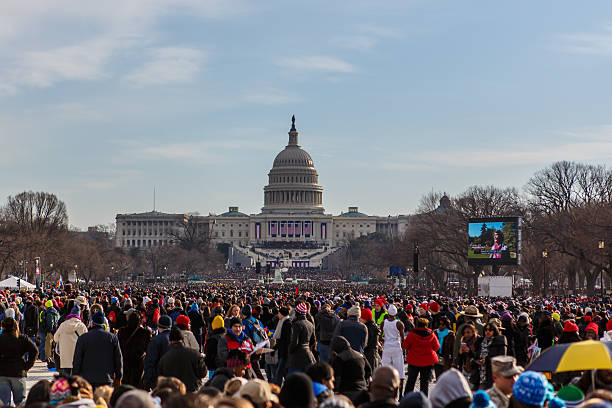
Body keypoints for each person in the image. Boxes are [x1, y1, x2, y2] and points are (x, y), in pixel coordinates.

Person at [72, 310, 123, 388]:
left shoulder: (83, 338)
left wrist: (75, 376)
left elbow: (77, 359)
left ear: (92, 323)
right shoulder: (112, 338)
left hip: (87, 379)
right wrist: (119, 376)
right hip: (106, 378)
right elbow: (118, 359)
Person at [0, 317, 38, 406]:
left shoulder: (1, 338)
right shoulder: (22, 338)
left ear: (3, 326)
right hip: (18, 372)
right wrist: (28, 365)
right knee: (21, 402)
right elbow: (35, 351)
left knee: (4, 403)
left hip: (2, 373)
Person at [158, 326, 208, 392]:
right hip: (192, 392)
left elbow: (161, 378)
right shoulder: (195, 354)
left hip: (173, 394)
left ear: (170, 341)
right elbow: (203, 372)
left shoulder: (165, 358)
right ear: (182, 339)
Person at [403, 317, 439, 396]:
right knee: (424, 383)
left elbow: (406, 345)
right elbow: (436, 347)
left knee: (410, 382)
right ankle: (424, 401)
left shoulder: (411, 335)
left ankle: (406, 400)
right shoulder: (432, 335)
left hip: (414, 360)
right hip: (427, 361)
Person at [330, 335, 371, 403]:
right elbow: (369, 371)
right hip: (362, 390)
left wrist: (336, 391)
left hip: (346, 392)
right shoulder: (360, 355)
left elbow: (337, 377)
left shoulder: (339, 358)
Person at [117, 310, 151, 388]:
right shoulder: (145, 333)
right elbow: (148, 349)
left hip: (125, 363)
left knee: (125, 387)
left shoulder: (122, 331)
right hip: (138, 364)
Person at [54, 304, 88, 376]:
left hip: (65, 357)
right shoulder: (81, 326)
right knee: (76, 379)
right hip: (78, 356)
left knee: (66, 378)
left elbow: (55, 338)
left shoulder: (63, 325)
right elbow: (87, 341)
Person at [381, 304, 406, 396]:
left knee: (386, 371)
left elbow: (380, 337)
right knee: (400, 372)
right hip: (396, 347)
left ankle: (386, 393)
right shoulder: (399, 324)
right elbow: (403, 339)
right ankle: (400, 394)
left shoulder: (383, 323)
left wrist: (382, 345)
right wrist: (404, 351)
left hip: (387, 347)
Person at [474, 321, 507, 390]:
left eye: (490, 330)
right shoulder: (481, 341)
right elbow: (476, 354)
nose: (487, 332)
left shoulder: (499, 341)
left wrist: (487, 360)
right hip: (481, 373)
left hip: (493, 373)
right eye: (486, 330)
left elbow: (501, 357)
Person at [143, 314, 172, 390]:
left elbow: (150, 360)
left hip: (158, 378)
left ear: (159, 326)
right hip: (173, 378)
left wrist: (147, 379)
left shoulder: (156, 340)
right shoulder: (176, 338)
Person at [287, 302, 316, 375]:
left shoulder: (297, 324)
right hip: (309, 356)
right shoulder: (310, 324)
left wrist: (289, 351)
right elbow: (313, 340)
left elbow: (294, 342)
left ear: (297, 313)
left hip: (297, 358)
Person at [361, 307, 381, 373]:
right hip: (372, 352)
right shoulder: (372, 326)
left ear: (365, 318)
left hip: (369, 353)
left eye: (361, 318)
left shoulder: (369, 328)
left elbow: (368, 342)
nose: (360, 319)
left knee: (370, 372)